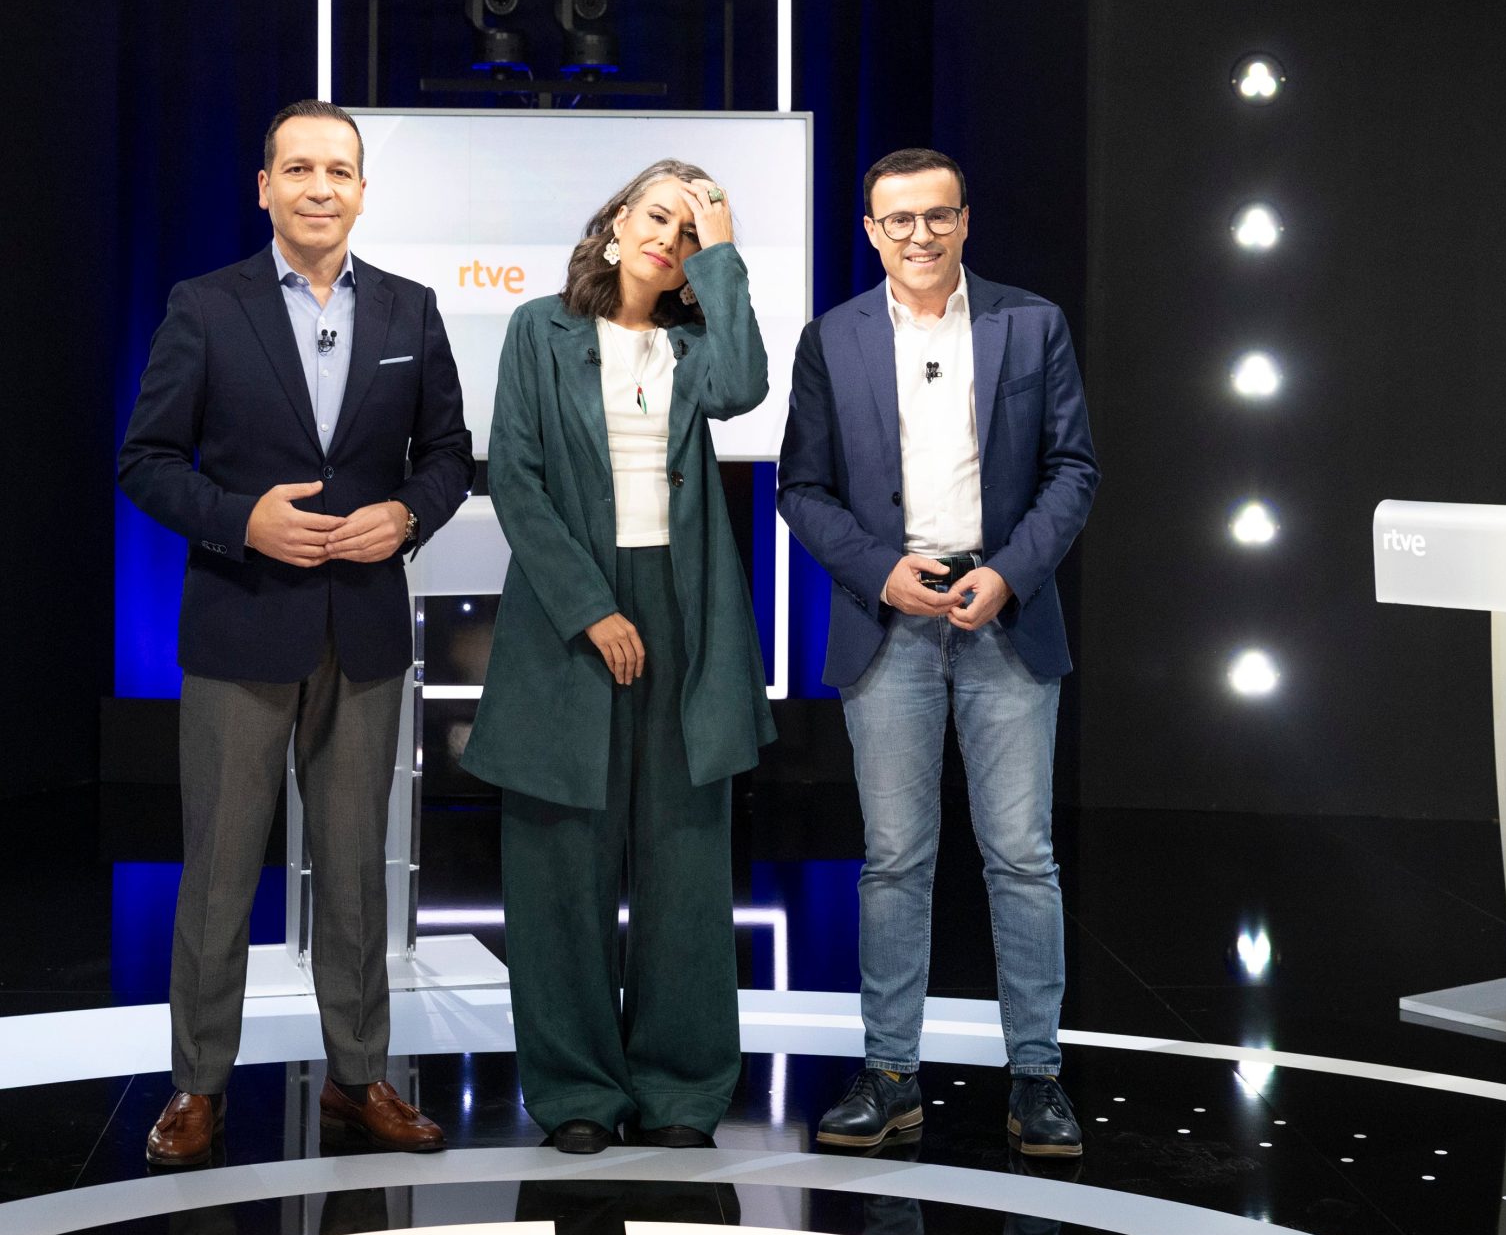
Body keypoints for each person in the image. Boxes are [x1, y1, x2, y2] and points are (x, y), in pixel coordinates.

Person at [117, 98, 472, 1165]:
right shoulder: (204, 305)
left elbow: (449, 453)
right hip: (240, 623)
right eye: (299, 168)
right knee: (220, 867)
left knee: (357, 870)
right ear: (263, 186)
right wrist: (243, 521)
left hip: (362, 631)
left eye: (340, 170)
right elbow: (146, 461)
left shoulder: (409, 311)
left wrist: (407, 515)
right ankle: (197, 1087)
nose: (321, 186)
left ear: (362, 190)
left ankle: (358, 1078)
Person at [777, 146, 1099, 1158]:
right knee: (893, 862)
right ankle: (888, 1075)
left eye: (936, 216)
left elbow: (1072, 469)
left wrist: (1005, 572)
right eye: (897, 220)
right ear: (869, 230)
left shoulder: (1029, 321)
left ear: (965, 220)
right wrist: (880, 572)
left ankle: (1037, 1078)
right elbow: (803, 488)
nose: (918, 234)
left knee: (1022, 859)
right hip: (891, 622)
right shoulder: (833, 339)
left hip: (1002, 608)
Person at [461, 160, 774, 1153]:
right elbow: (513, 471)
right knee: (559, 867)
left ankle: (682, 1090)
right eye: (657, 216)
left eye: (688, 234)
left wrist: (722, 264)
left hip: (687, 612)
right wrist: (593, 608)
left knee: (685, 864)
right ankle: (577, 1093)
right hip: (570, 617)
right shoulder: (536, 332)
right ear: (611, 224)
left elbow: (744, 385)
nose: (667, 238)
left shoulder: (698, 340)